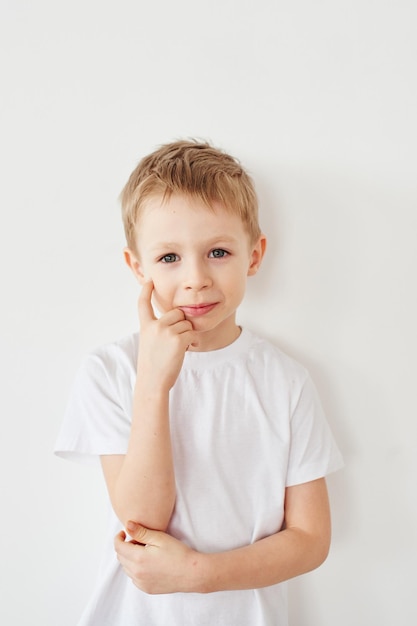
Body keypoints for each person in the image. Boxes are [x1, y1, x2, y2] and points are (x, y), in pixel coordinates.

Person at [55, 139, 343, 626]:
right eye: (169, 257)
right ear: (137, 267)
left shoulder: (285, 382)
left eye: (217, 252)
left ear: (253, 256)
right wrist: (153, 383)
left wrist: (198, 573)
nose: (195, 279)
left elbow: (311, 539)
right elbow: (141, 522)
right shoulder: (111, 371)